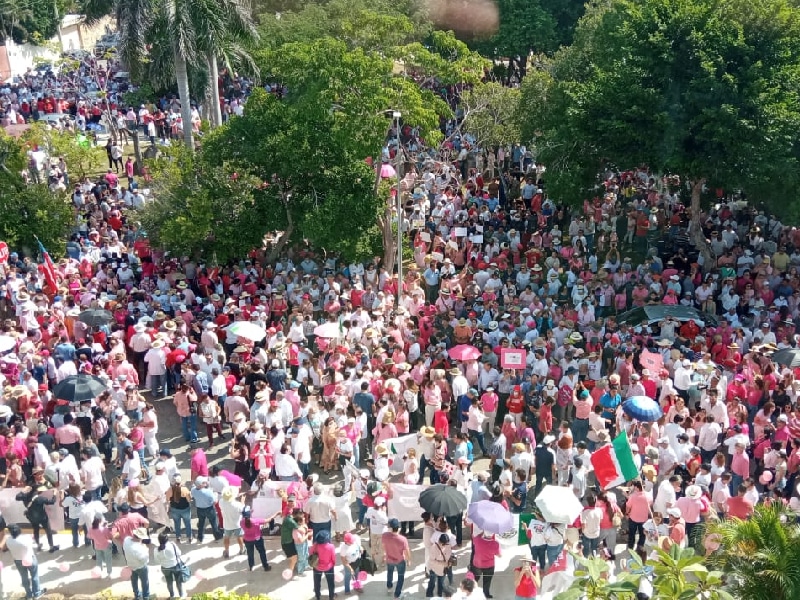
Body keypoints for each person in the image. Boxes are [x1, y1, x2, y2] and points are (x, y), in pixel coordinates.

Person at [3, 524, 45, 599]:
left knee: (24, 578)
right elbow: (32, 543)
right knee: (34, 576)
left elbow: (6, 548)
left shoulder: (8, 541)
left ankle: (29, 595)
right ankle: (37, 593)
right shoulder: (25, 538)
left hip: (18, 561)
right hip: (30, 559)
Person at [384, 517, 412, 599]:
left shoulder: (385, 536)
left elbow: (383, 547)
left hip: (389, 559)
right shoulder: (403, 539)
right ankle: (397, 594)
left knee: (390, 572)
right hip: (400, 560)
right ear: (398, 528)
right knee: (400, 576)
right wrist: (409, 560)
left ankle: (389, 587)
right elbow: (407, 551)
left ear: (390, 528)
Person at [154, 531, 186, 600]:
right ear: (167, 539)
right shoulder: (172, 545)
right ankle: (181, 595)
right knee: (178, 581)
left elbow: (157, 561)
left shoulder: (156, 550)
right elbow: (179, 553)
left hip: (165, 568)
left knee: (169, 582)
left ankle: (172, 596)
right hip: (175, 566)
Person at [240, 506, 272, 571]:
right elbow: (268, 520)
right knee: (262, 552)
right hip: (257, 539)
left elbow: (246, 518)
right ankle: (265, 566)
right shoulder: (256, 521)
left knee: (250, 553)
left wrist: (249, 512)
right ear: (249, 514)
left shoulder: (242, 522)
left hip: (247, 540)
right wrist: (276, 514)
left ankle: (251, 566)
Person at [191, 476, 221, 542]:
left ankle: (200, 537)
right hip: (209, 509)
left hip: (199, 509)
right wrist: (215, 494)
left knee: (201, 523)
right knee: (213, 523)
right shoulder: (208, 492)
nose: (205, 483)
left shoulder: (193, 490)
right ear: (201, 484)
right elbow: (215, 501)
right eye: (204, 482)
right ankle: (217, 536)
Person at [123, 527, 151, 600]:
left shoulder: (126, 540)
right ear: (141, 538)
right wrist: (146, 549)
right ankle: (146, 597)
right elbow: (145, 560)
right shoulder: (139, 548)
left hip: (130, 565)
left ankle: (137, 595)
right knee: (145, 582)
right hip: (140, 567)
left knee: (134, 581)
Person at [472, 531, 501, 598]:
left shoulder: (477, 540)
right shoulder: (495, 543)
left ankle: (471, 592)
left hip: (477, 564)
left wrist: (481, 532)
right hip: (489, 566)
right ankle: (486, 595)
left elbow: (475, 537)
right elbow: (499, 555)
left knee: (475, 579)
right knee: (487, 581)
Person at [310, 530, 336, 600]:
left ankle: (317, 596)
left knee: (317, 582)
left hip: (317, 567)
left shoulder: (315, 545)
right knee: (330, 583)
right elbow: (333, 557)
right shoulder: (331, 546)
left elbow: (310, 554)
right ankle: (331, 596)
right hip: (329, 567)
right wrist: (333, 564)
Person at [426, 532, 453, 598]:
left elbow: (449, 555)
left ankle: (439, 595)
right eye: (444, 544)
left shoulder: (448, 545)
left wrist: (449, 562)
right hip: (434, 569)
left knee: (441, 583)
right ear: (440, 541)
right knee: (432, 582)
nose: (445, 545)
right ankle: (429, 594)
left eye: (446, 543)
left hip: (443, 569)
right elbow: (431, 560)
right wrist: (443, 563)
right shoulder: (433, 548)